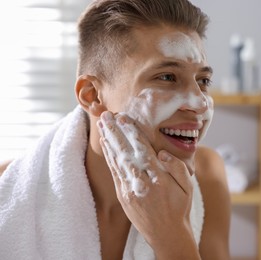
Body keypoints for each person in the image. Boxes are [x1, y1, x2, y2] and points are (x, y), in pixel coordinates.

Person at [0, 0, 231, 259]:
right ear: (92, 96)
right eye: (167, 77)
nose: (199, 103)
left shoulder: (208, 177)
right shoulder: (7, 194)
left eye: (203, 81)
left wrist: (173, 236)